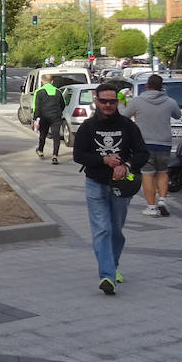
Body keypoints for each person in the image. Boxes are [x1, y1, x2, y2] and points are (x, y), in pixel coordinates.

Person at [73, 82, 149, 295]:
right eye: (104, 101)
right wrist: (103, 160)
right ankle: (106, 275)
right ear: (96, 100)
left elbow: (143, 153)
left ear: (118, 102)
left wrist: (126, 166)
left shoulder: (127, 126)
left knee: (116, 230)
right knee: (102, 229)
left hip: (121, 187)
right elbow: (78, 156)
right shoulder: (87, 127)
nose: (108, 105)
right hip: (95, 183)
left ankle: (113, 266)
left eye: (112, 101)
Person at [124, 74, 181, 217]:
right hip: (164, 143)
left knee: (147, 174)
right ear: (162, 87)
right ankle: (162, 200)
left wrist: (121, 101)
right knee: (162, 172)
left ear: (147, 85)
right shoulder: (169, 101)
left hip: (144, 144)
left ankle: (151, 207)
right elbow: (178, 115)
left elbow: (124, 115)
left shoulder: (137, 101)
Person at [33, 77, 64, 164]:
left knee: (43, 134)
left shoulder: (39, 92)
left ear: (42, 81)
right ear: (52, 81)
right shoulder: (58, 91)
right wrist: (58, 112)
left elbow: (36, 107)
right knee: (56, 136)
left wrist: (35, 119)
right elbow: (63, 104)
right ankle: (54, 156)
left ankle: (41, 151)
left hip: (44, 117)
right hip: (56, 117)